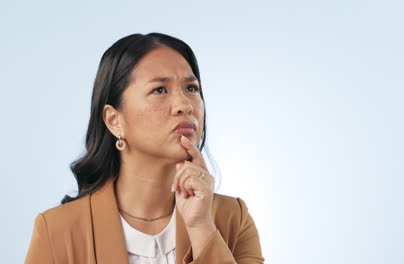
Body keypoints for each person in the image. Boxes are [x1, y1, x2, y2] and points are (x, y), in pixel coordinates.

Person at [25, 33, 264, 264]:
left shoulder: (232, 218)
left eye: (191, 88)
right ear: (113, 120)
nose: (184, 105)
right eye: (159, 90)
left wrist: (201, 227)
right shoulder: (57, 230)